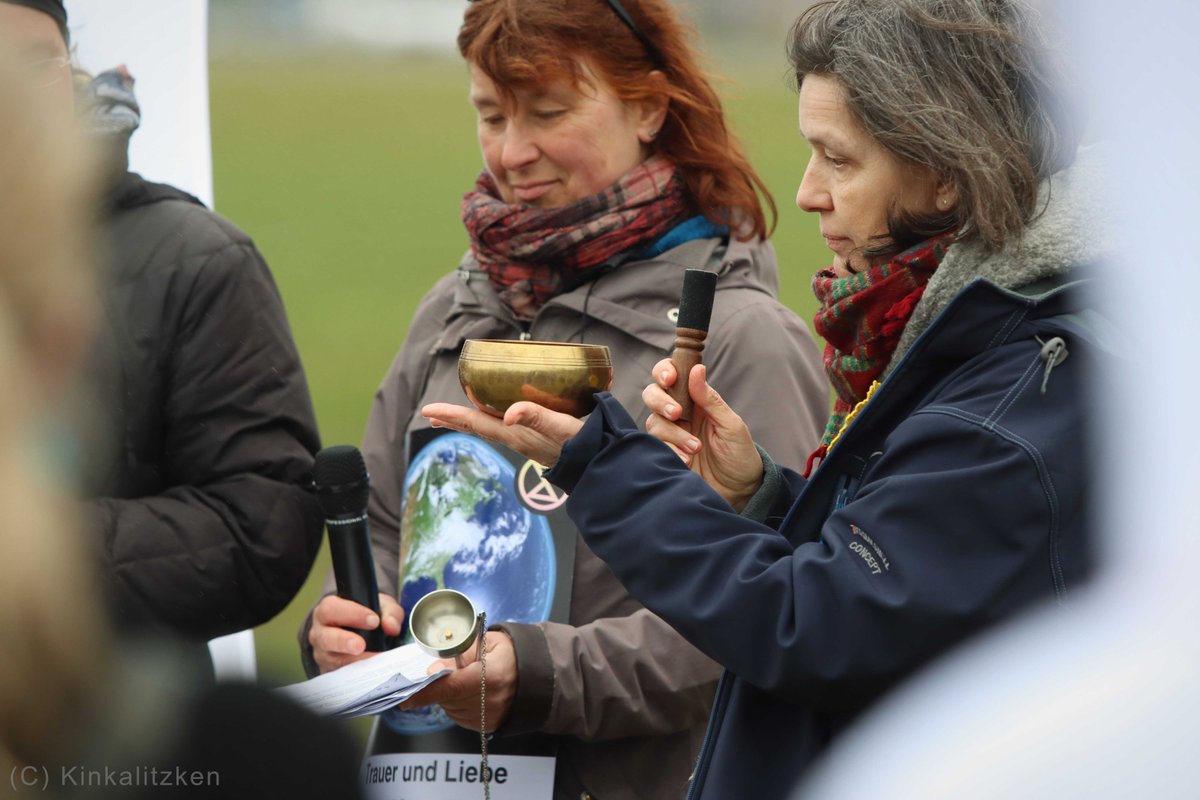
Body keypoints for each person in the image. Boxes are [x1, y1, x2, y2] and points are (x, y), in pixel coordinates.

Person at [422, 0, 1105, 797]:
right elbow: (885, 581)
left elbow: (813, 625)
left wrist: (603, 463)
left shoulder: (1017, 396)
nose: (809, 193)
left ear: (949, 172)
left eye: (839, 160)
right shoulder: (969, 347)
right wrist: (761, 496)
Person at [301, 0, 828, 796]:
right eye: (490, 114)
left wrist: (536, 675)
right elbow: (382, 522)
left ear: (649, 106)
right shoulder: (454, 307)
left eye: (548, 112)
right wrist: (346, 625)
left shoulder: (740, 339)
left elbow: (759, 619)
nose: (512, 152)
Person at [0, 0, 326, 657]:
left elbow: (258, 527)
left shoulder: (194, 258)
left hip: (104, 734)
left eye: (39, 64)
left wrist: (40, 547)